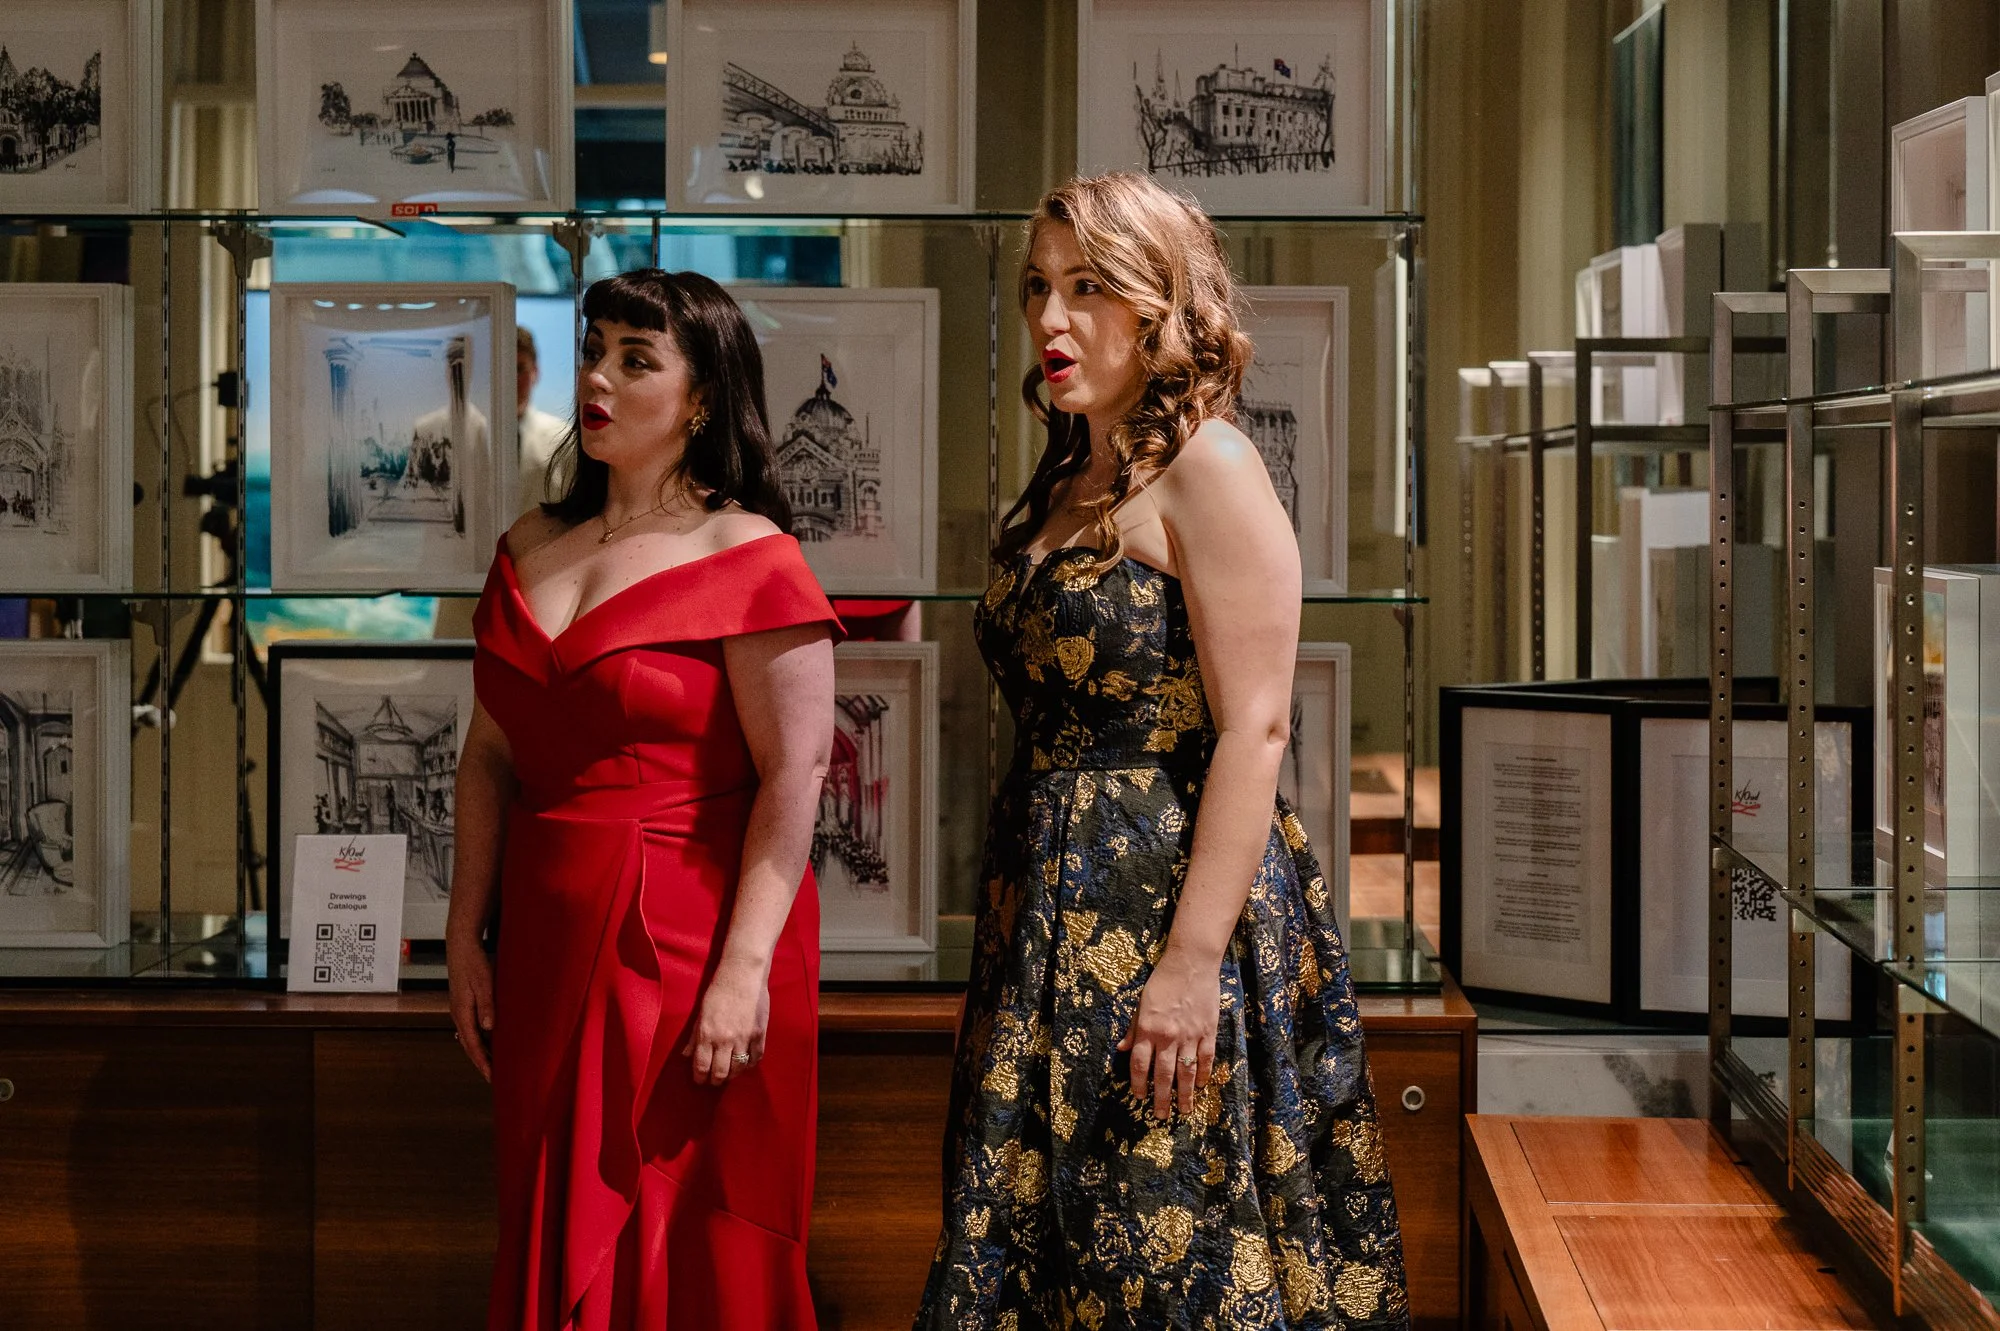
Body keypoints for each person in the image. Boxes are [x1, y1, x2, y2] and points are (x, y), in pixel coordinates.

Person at [913, 173, 1409, 1330]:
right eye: (1038, 287)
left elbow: (1257, 725)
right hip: (1044, 904)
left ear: (1159, 305)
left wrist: (1189, 964)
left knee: (1167, 1232)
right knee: (1059, 1234)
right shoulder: (1073, 471)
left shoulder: (1209, 465)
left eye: (1088, 288)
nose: (1050, 319)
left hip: (1164, 909)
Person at [448, 269, 841, 1331]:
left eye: (635, 358)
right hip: (543, 925)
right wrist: (462, 931)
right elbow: (487, 751)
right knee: (548, 1205)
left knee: (683, 1223)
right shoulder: (528, 544)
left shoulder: (751, 553)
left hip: (693, 936)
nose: (598, 379)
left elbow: (796, 773)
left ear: (702, 396)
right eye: (592, 351)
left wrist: (742, 972)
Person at [516, 325, 571, 512]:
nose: (512, 379)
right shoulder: (471, 435)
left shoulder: (563, 437)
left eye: (520, 369)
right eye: (504, 369)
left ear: (535, 372)